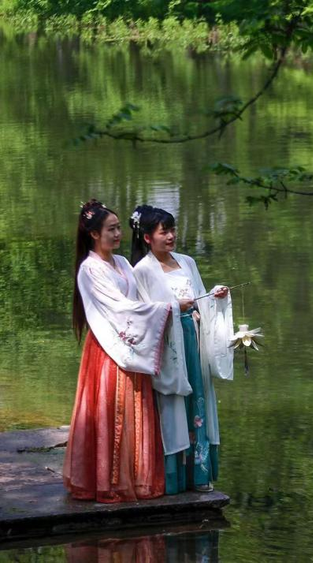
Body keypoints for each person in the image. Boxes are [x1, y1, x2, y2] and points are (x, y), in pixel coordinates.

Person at [63, 199, 193, 503]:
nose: (118, 233)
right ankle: (109, 481)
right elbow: (121, 309)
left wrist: (173, 303)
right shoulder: (90, 269)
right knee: (113, 412)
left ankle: (135, 478)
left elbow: (141, 302)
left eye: (119, 227)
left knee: (136, 409)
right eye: (111, 229)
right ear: (94, 234)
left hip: (131, 344)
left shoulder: (122, 263)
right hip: (108, 348)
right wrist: (171, 307)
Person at [130, 205, 233, 494]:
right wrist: (176, 308)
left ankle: (199, 476)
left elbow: (200, 298)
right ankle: (172, 478)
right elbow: (141, 313)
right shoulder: (142, 271)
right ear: (148, 237)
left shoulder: (187, 262)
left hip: (193, 338)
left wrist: (214, 296)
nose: (172, 236)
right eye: (165, 232)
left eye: (173, 230)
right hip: (168, 345)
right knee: (172, 405)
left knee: (198, 400)